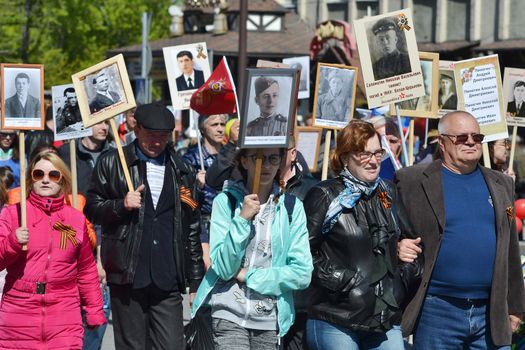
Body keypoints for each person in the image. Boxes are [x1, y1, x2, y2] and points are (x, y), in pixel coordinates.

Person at [396, 111, 525, 349]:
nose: (470, 142)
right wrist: (397, 245)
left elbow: (510, 251)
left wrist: (516, 306)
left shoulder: (501, 184)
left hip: (491, 311)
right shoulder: (411, 180)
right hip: (437, 310)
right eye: (461, 137)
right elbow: (388, 229)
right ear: (442, 142)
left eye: (476, 137)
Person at [85, 103, 204, 349]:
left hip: (167, 277)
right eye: (151, 135)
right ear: (136, 130)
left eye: (162, 137)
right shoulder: (112, 162)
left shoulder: (183, 170)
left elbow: (191, 225)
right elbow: (92, 209)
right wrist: (121, 205)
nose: (156, 142)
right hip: (127, 273)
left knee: (172, 344)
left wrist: (195, 280)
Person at [303, 120, 422, 349]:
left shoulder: (388, 191)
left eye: (377, 152)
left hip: (383, 318)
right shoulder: (325, 195)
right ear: (345, 157)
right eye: (363, 153)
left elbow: (414, 243)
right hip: (336, 317)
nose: (373, 160)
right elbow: (302, 253)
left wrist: (401, 276)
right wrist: (345, 281)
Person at [191, 147, 313, 349]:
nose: (265, 165)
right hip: (227, 312)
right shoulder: (226, 202)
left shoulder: (292, 207)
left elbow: (302, 273)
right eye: (257, 158)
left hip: (270, 318)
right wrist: (242, 220)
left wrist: (249, 275)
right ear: (245, 161)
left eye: (273, 158)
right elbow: (223, 269)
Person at [0, 150, 105, 349]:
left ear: (62, 180)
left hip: (64, 313)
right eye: (39, 174)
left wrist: (93, 310)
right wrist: (13, 242)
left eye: (53, 175)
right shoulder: (14, 213)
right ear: (31, 179)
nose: (46, 180)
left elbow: (86, 271)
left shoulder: (75, 219)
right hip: (19, 315)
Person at [183, 114, 227, 270]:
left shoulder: (230, 156)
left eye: (223, 123)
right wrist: (196, 188)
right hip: (203, 225)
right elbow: (183, 198)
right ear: (203, 129)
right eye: (214, 124)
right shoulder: (190, 158)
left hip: (228, 221)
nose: (220, 129)